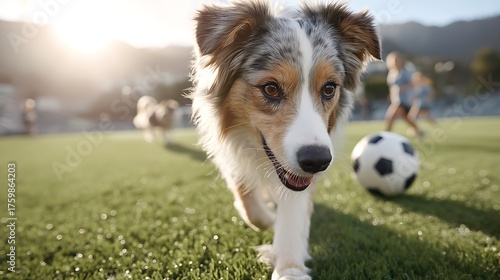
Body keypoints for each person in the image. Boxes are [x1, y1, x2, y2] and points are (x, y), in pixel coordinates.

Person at [384, 52, 424, 137]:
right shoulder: (391, 73)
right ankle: (419, 131)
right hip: (395, 100)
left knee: (391, 116)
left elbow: (413, 83)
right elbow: (392, 87)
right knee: (406, 118)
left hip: (405, 99)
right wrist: (391, 95)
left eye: (397, 60)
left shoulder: (405, 72)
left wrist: (402, 89)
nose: (395, 62)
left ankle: (386, 135)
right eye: (394, 60)